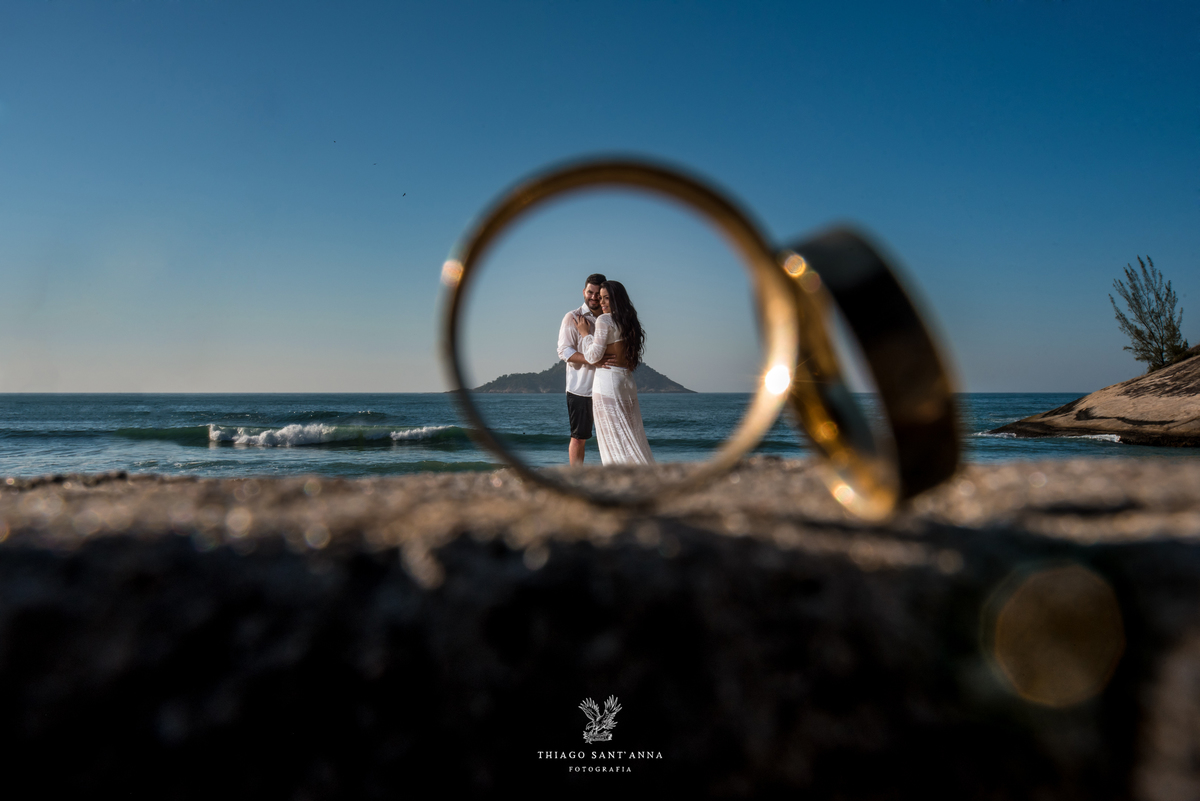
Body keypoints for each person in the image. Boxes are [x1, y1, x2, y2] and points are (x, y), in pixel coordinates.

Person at [574, 281, 655, 465]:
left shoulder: (605, 320)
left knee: (614, 439)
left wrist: (585, 333)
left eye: (606, 298)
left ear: (616, 299)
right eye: (600, 298)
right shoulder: (629, 321)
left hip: (608, 382)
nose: (602, 302)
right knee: (633, 437)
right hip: (627, 381)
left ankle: (625, 482)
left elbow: (594, 356)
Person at [557, 273, 615, 466]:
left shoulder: (609, 318)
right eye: (590, 292)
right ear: (584, 291)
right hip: (581, 389)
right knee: (579, 438)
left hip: (607, 387)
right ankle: (576, 480)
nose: (593, 297)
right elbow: (564, 351)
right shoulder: (572, 317)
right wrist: (594, 361)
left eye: (598, 294)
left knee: (611, 438)